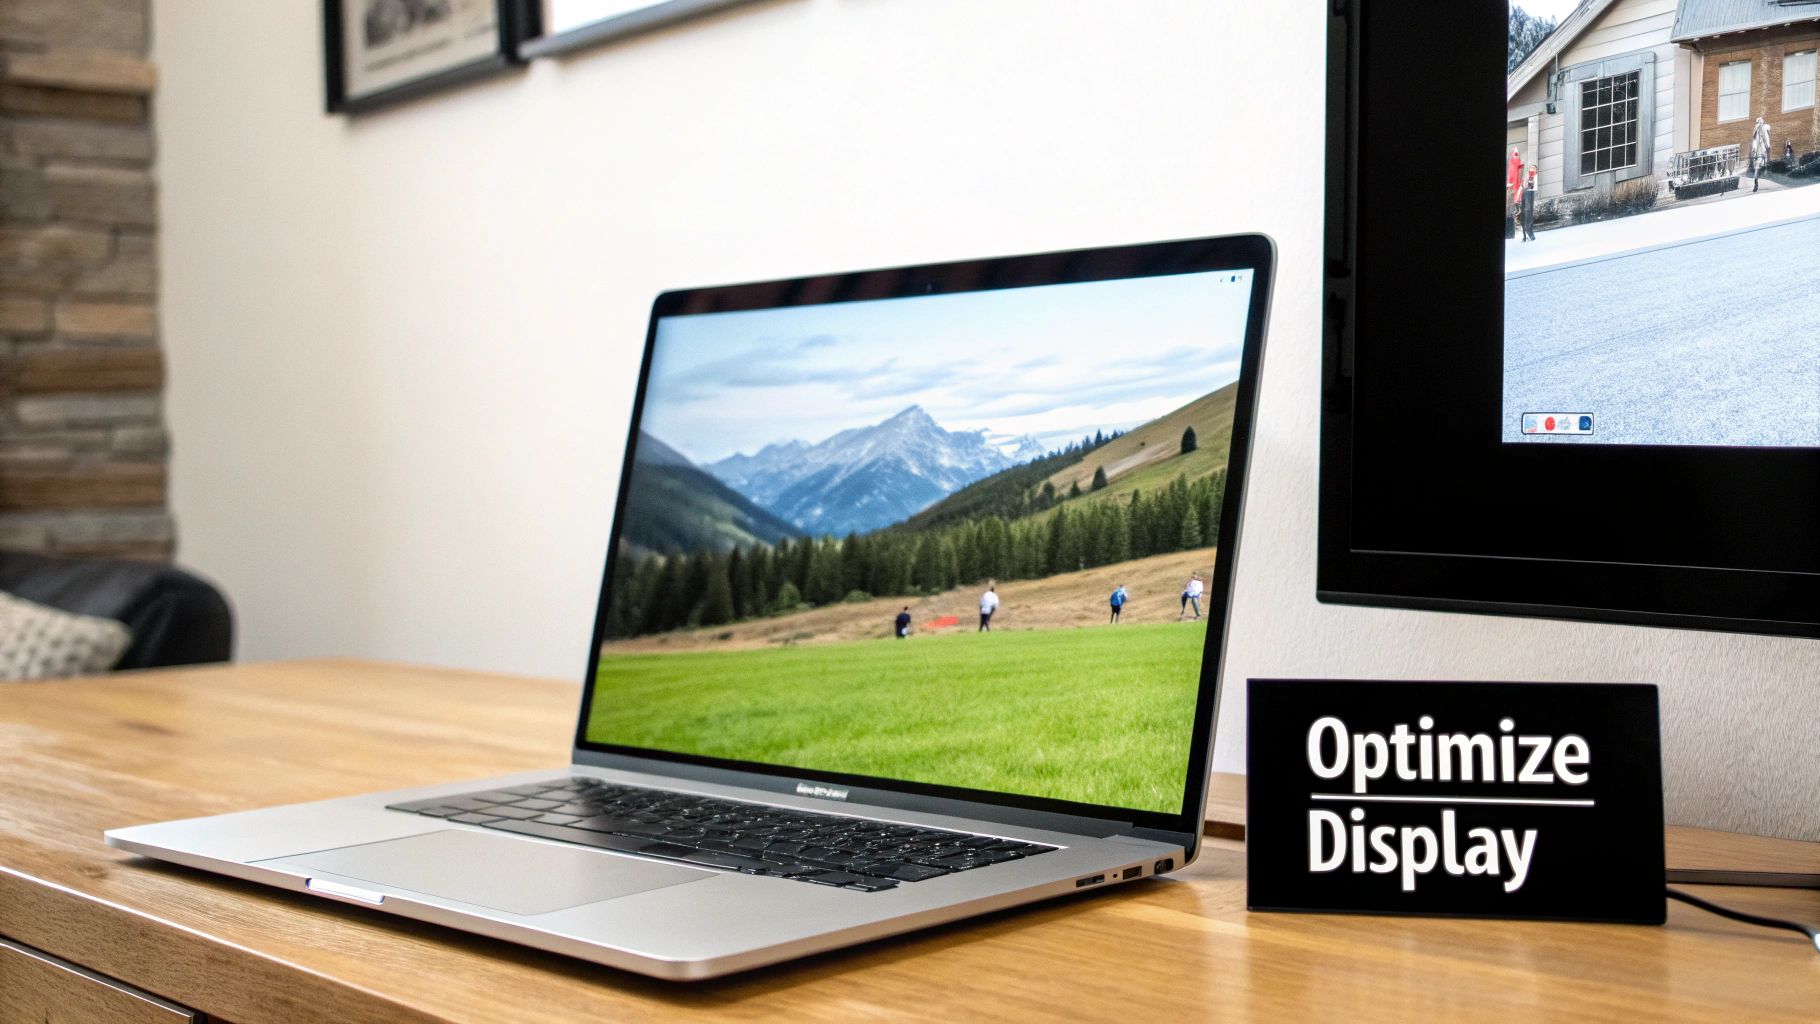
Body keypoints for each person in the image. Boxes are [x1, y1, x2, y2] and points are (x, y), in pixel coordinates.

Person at [1506, 149, 1524, 237]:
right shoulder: (1512, 164)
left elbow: (1519, 176)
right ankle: (1516, 226)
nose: (1516, 156)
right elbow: (1510, 176)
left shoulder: (1518, 163)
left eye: (1517, 154)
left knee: (1518, 209)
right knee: (1514, 210)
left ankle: (1518, 225)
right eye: (1515, 154)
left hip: (1517, 189)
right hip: (1513, 190)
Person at [1751, 117, 1771, 194]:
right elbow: (1754, 141)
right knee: (1757, 166)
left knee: (1760, 165)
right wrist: (1754, 148)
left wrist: (1767, 147)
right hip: (1759, 151)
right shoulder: (1757, 131)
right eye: (1758, 123)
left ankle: (1756, 182)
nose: (1759, 125)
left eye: (1760, 123)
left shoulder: (1763, 129)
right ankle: (1756, 183)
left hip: (1762, 150)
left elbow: (1766, 139)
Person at [1521, 165, 1538, 242]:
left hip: (1529, 194)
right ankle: (1524, 234)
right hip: (1524, 193)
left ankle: (1529, 232)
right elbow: (1523, 185)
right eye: (1531, 168)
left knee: (1528, 212)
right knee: (1523, 214)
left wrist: (1532, 176)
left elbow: (1531, 187)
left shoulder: (1534, 176)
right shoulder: (1527, 175)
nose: (1532, 169)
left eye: (1534, 168)